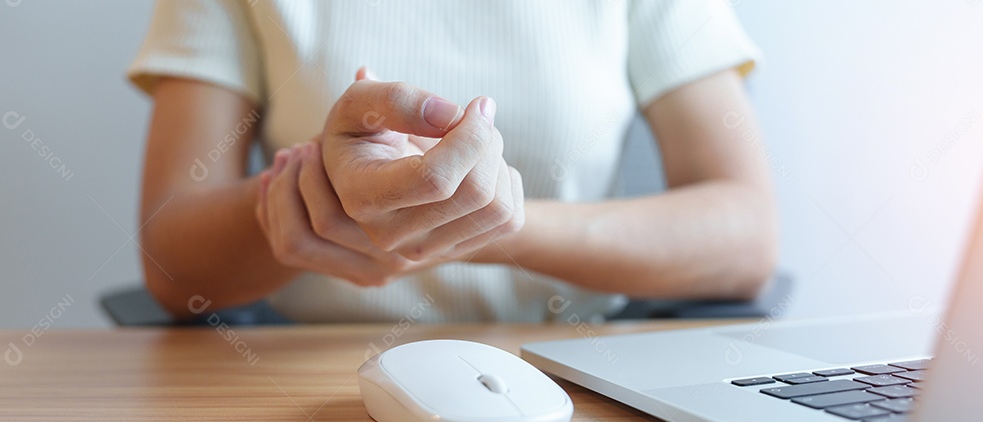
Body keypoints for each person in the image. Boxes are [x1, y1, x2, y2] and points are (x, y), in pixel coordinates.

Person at [127, 0, 778, 323]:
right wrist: (318, 195)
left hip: (579, 386)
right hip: (305, 387)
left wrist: (492, 222)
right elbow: (169, 250)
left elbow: (745, 232)